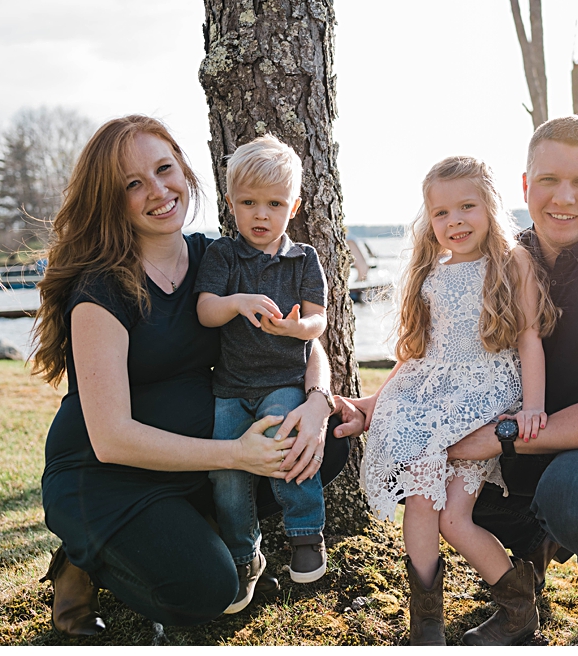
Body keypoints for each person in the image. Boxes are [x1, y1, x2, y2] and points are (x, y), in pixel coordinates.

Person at [334, 115, 578, 645]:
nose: (562, 197)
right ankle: (525, 565)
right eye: (548, 180)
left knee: (575, 493)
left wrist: (498, 436)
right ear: (525, 185)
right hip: (521, 421)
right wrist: (378, 405)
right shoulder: (498, 254)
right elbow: (440, 351)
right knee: (444, 477)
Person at [33, 115, 347, 635]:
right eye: (133, 184)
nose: (158, 190)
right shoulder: (101, 291)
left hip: (196, 461)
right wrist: (236, 455)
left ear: (184, 168)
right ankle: (82, 560)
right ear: (112, 200)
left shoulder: (218, 258)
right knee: (208, 592)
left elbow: (302, 338)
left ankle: (201, 527)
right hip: (108, 477)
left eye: (164, 169)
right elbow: (111, 439)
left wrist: (317, 400)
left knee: (326, 437)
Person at [360, 157, 557, 646]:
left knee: (454, 517)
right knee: (425, 507)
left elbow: (529, 338)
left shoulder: (512, 261)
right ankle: (426, 625)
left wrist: (533, 406)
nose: (455, 221)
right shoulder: (431, 271)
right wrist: (377, 402)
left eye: (467, 207)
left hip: (482, 394)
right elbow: (417, 352)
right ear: (429, 219)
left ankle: (517, 611)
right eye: (442, 213)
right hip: (428, 397)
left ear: (489, 206)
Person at [194, 134, 331, 614]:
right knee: (226, 473)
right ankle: (242, 556)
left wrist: (298, 328)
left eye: (273, 204)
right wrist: (235, 302)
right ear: (231, 204)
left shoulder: (303, 259)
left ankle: (304, 534)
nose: (260, 214)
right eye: (248, 203)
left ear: (292, 208)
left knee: (284, 441)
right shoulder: (224, 256)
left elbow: (319, 321)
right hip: (230, 389)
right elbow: (206, 311)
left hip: (283, 383)